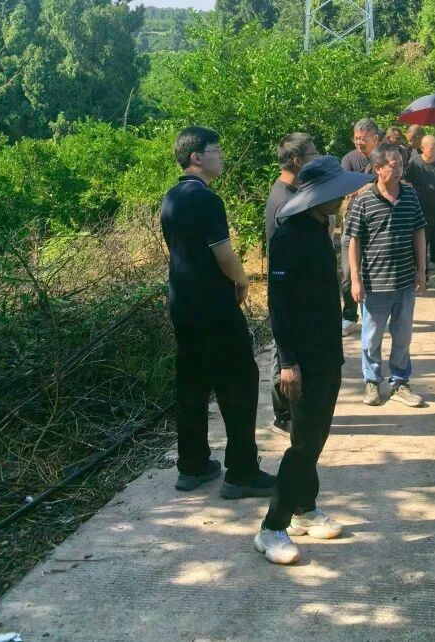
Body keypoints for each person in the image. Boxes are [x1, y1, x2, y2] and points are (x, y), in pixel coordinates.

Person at [254, 156, 372, 565]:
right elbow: (278, 307)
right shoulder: (289, 237)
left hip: (326, 352)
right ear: (317, 195)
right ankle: (272, 527)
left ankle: (304, 508)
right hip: (301, 358)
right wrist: (288, 362)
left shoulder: (321, 228)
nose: (341, 198)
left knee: (317, 435)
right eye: (334, 192)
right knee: (303, 443)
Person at [160, 126, 275, 498]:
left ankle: (192, 466)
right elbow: (223, 255)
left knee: (192, 385)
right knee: (239, 383)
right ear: (197, 157)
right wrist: (242, 280)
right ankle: (241, 472)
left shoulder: (170, 197)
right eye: (216, 150)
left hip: (183, 305)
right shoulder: (207, 199)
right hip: (214, 307)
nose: (221, 156)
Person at [346, 143, 428, 408]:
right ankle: (372, 381)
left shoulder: (410, 196)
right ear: (378, 169)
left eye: (401, 165)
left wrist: (422, 270)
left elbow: (419, 231)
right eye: (393, 165)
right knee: (371, 338)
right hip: (374, 283)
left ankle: (400, 382)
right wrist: (355, 280)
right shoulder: (363, 200)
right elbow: (354, 241)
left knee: (403, 336)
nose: (399, 169)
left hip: (404, 281)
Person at [264, 132, 319, 434]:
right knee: (282, 349)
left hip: (297, 287)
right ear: (298, 161)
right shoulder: (284, 201)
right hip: (287, 288)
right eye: (313, 154)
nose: (317, 157)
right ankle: (283, 414)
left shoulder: (292, 191)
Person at [339, 118, 381, 337]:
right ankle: (348, 316)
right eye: (356, 138)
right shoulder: (349, 159)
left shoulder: (384, 158)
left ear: (375, 138)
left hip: (377, 224)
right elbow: (345, 187)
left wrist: (365, 187)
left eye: (363, 138)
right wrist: (372, 184)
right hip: (352, 222)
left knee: (372, 272)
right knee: (348, 272)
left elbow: (392, 183)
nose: (359, 142)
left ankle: (372, 316)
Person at [405, 134, 435, 294]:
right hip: (421, 212)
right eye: (432, 147)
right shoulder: (414, 163)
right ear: (423, 148)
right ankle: (422, 278)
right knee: (420, 248)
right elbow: (408, 183)